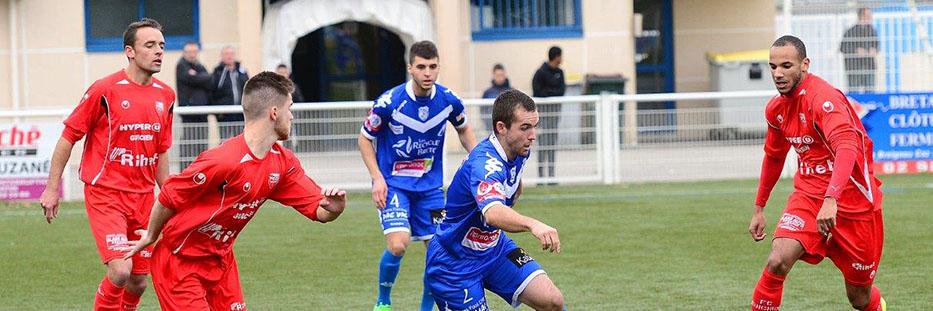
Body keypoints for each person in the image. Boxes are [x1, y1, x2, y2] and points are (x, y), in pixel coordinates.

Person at [120, 72, 347, 310]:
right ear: (274, 112)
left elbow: (318, 209)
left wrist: (333, 209)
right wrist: (151, 236)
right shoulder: (223, 160)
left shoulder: (283, 163)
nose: (292, 115)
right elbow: (169, 195)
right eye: (290, 107)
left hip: (222, 262)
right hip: (180, 262)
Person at [38, 18, 175, 311]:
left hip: (143, 199)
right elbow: (68, 137)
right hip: (106, 195)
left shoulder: (166, 95)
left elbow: (161, 151)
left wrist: (170, 197)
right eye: (149, 45)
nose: (158, 51)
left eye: (161, 45)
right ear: (130, 51)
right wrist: (52, 188)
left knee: (139, 280)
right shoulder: (105, 90)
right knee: (120, 270)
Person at [749, 35, 886, 311]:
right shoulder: (776, 110)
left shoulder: (824, 100)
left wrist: (832, 199)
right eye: (773, 67)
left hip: (854, 202)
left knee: (859, 297)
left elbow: (847, 145)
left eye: (786, 65)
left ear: (804, 65)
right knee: (777, 260)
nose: (778, 74)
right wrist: (759, 207)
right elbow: (774, 157)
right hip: (809, 197)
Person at [358, 40, 477, 311]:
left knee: (439, 252)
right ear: (410, 67)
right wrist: (377, 178)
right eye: (421, 67)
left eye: (432, 67)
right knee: (398, 245)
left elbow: (464, 130)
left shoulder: (449, 101)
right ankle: (383, 301)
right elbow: (364, 140)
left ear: (438, 68)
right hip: (394, 186)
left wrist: (477, 159)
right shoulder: (389, 102)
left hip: (431, 189)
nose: (427, 73)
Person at [425, 89, 565, 310]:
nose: (533, 135)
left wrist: (515, 185)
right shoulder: (484, 165)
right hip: (454, 264)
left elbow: (511, 182)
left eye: (534, 126)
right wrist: (533, 224)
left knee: (552, 300)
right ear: (501, 127)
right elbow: (493, 213)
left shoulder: (519, 149)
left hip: (494, 249)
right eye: (525, 127)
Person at [176, 41, 213, 169]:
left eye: (194, 52)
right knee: (189, 143)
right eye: (189, 52)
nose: (192, 55)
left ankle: (200, 170)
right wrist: (202, 78)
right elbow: (193, 79)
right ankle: (185, 170)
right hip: (189, 113)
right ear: (184, 53)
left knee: (202, 144)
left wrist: (201, 77)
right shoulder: (182, 66)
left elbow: (209, 79)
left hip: (202, 113)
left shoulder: (199, 66)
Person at [531, 46, 565, 184]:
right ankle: (541, 176)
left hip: (554, 115)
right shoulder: (540, 73)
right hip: (543, 115)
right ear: (556, 56)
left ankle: (551, 176)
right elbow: (538, 91)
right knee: (542, 144)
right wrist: (551, 92)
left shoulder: (560, 73)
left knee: (552, 144)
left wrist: (550, 92)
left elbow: (561, 90)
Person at [211, 46, 249, 139]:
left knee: (241, 140)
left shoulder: (241, 71)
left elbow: (248, 88)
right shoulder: (217, 72)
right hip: (225, 114)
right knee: (225, 141)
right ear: (221, 56)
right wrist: (218, 112)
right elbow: (212, 92)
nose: (229, 56)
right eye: (226, 54)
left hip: (240, 113)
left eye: (231, 54)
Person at [839, 7, 879, 93]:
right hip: (854, 68)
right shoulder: (850, 31)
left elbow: (876, 45)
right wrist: (855, 51)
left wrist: (874, 50)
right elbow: (842, 47)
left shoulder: (872, 30)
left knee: (870, 92)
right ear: (861, 16)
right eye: (868, 15)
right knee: (854, 93)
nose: (870, 17)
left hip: (869, 66)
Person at [481, 63, 511, 132]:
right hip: (491, 128)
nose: (500, 78)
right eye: (498, 75)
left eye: (501, 75)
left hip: (508, 127)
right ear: (494, 76)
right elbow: (483, 111)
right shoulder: (487, 93)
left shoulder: (511, 91)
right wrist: (488, 124)